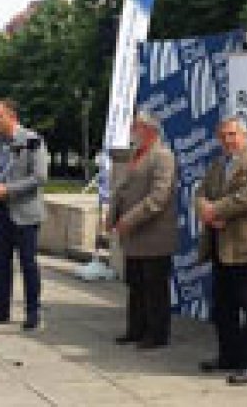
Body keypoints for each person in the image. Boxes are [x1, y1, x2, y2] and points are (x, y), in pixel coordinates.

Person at [196, 116, 247, 386]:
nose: (228, 140)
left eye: (232, 134)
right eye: (223, 136)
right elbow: (201, 193)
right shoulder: (218, 164)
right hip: (221, 248)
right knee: (223, 308)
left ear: (244, 135)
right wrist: (205, 212)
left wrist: (216, 210)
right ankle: (228, 356)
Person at [107, 113, 177, 350]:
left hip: (154, 234)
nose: (132, 131)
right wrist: (113, 218)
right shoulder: (135, 155)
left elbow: (158, 197)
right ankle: (135, 329)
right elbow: (123, 190)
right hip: (133, 235)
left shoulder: (163, 157)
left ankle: (156, 334)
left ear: (149, 130)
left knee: (154, 287)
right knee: (135, 284)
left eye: (136, 127)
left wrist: (130, 219)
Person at [0, 98, 49, 331]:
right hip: (1, 213)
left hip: (25, 212)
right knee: (2, 263)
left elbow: (39, 177)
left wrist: (8, 190)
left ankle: (33, 311)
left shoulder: (32, 141)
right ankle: (2, 309)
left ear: (12, 116)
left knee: (28, 263)